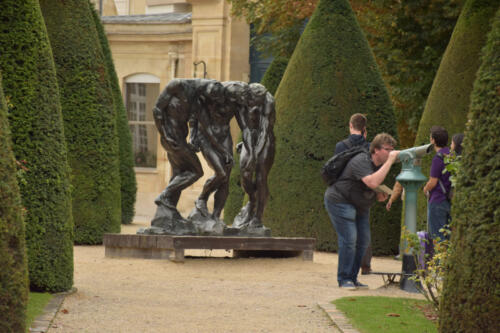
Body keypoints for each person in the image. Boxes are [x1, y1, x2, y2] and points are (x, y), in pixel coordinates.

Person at [324, 133, 400, 290]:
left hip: (359, 205)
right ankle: (344, 279)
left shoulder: (379, 164)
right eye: (388, 149)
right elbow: (371, 181)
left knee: (363, 242)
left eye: (393, 150)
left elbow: (371, 184)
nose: (391, 153)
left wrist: (379, 193)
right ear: (376, 150)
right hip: (340, 200)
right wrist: (391, 161)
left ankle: (352, 277)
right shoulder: (362, 160)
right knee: (349, 239)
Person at [233, 83, 275, 229]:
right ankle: (252, 200)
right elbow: (245, 127)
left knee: (261, 177)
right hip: (249, 137)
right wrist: (249, 150)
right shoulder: (242, 98)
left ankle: (258, 216)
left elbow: (264, 130)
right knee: (245, 174)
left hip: (265, 139)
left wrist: (255, 155)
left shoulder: (268, 100)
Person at [334, 113, 372, 275]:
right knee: (363, 229)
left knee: (347, 234)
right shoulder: (370, 147)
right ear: (365, 129)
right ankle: (365, 265)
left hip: (345, 193)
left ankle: (347, 271)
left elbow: (336, 169)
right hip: (363, 193)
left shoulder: (341, 146)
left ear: (350, 126)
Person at [191, 81, 234, 219]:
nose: (214, 102)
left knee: (226, 178)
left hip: (225, 136)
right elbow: (208, 131)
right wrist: (225, 152)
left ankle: (216, 216)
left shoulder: (232, 97)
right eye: (212, 99)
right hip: (207, 139)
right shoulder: (201, 103)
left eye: (216, 99)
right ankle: (202, 198)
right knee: (221, 173)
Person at [422, 126, 451, 241]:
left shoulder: (438, 158)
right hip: (449, 199)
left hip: (438, 199)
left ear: (433, 140)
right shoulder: (450, 155)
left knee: (437, 238)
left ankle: (440, 260)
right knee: (448, 237)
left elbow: (433, 182)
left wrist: (425, 188)